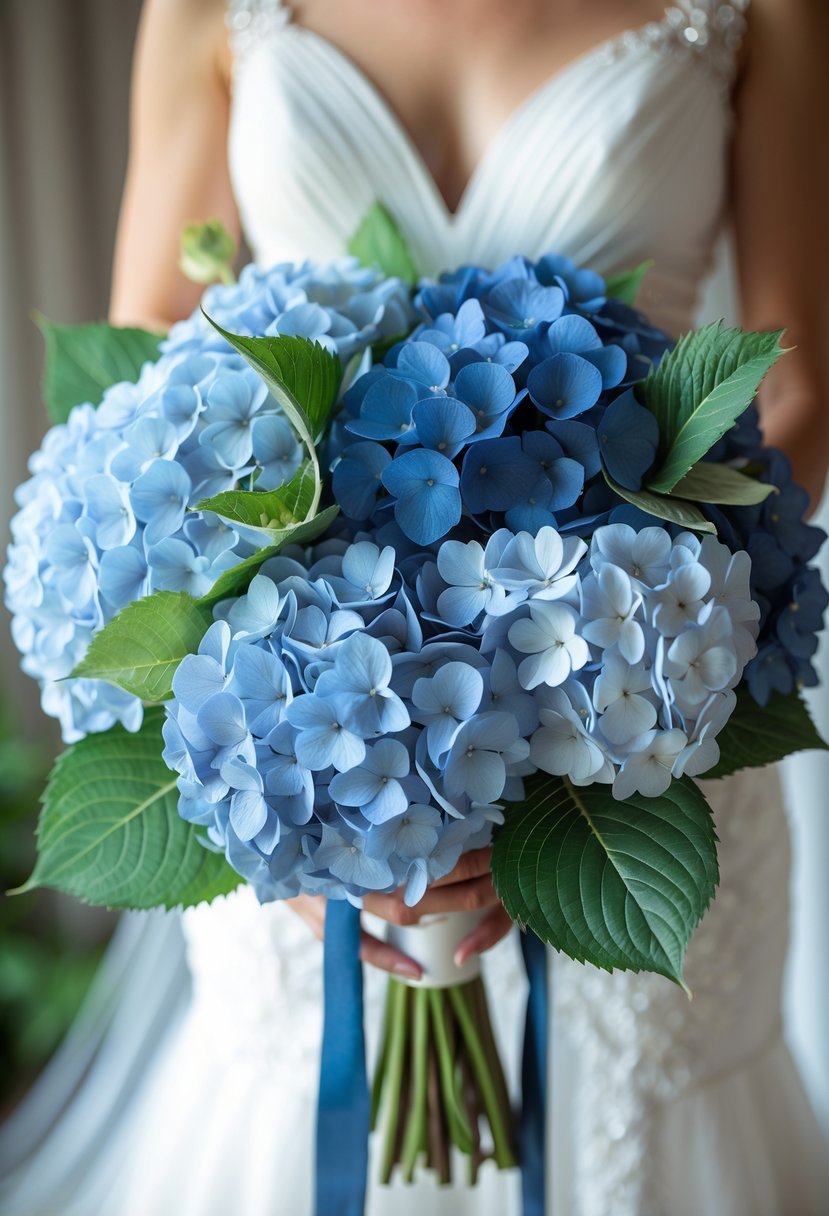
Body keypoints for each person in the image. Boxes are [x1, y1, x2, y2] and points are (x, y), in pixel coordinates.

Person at [3, 0, 829, 1212]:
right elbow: (154, 332)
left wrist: (565, 701)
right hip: (306, 713)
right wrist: (298, 816)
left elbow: (797, 372)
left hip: (624, 690)